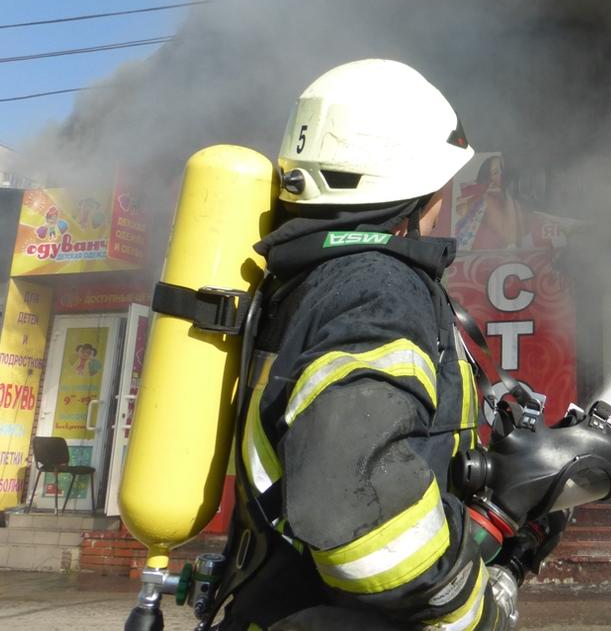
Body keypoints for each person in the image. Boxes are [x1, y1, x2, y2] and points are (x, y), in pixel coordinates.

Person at [215, 59, 559, 631]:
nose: (445, 200)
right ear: (415, 188)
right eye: (442, 184)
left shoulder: (308, 281)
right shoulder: (378, 289)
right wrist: (475, 613)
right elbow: (355, 507)